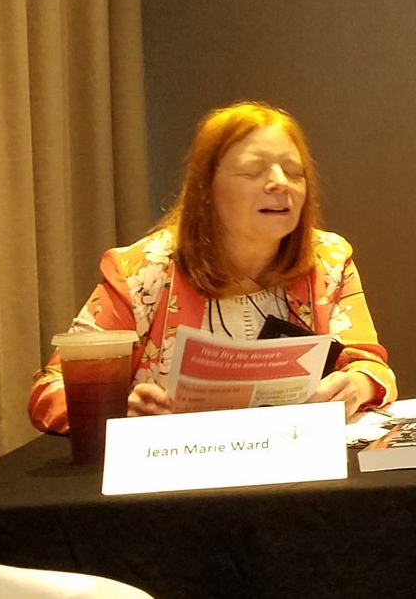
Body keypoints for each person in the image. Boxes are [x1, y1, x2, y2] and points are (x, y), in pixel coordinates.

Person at [29, 102, 395, 432]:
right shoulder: (141, 270)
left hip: (296, 477)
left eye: (294, 173)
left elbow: (371, 366)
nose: (280, 184)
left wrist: (357, 385)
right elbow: (51, 389)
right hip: (174, 486)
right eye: (253, 172)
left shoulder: (328, 258)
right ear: (207, 190)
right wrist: (119, 411)